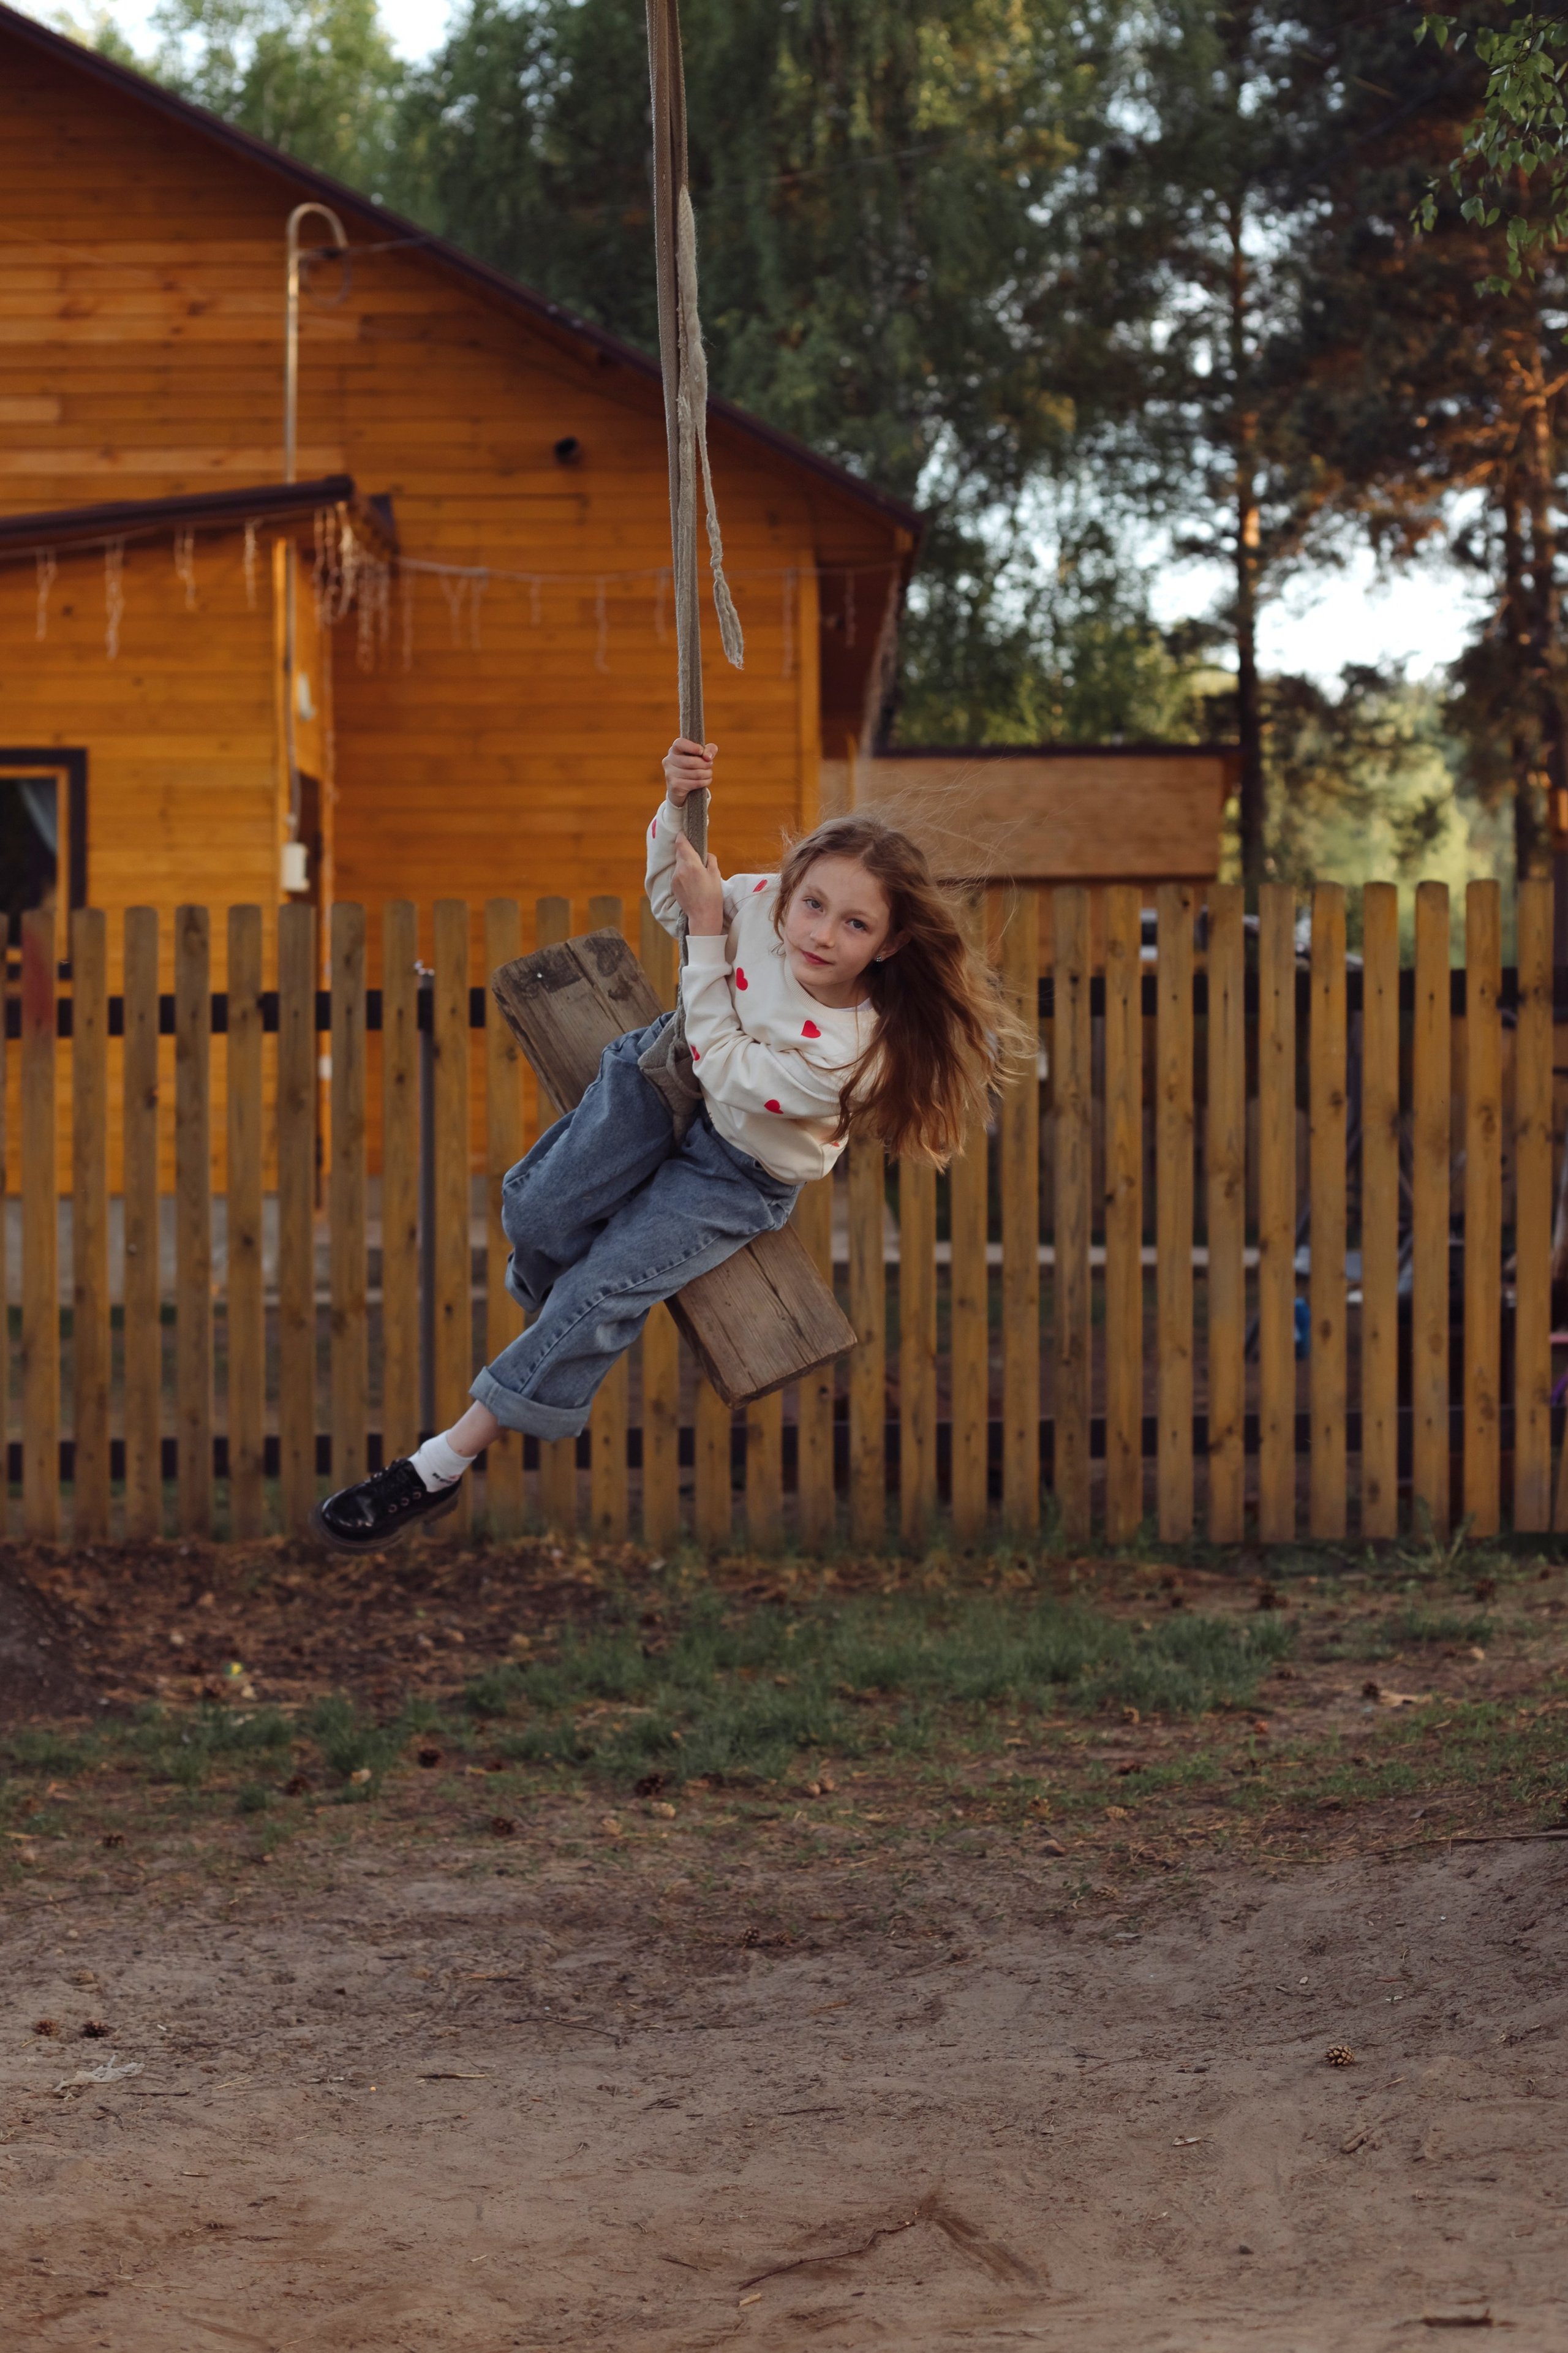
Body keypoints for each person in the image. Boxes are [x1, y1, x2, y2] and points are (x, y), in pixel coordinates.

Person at [312, 736, 1021, 1548]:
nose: (820, 933)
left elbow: (730, 1066)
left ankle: (434, 1465)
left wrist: (712, 933)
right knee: (534, 1209)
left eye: (855, 923)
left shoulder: (850, 1050)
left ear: (890, 944)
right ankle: (562, 1319)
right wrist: (675, 802)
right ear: (792, 888)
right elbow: (673, 902)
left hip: (739, 1168)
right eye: (813, 903)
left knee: (605, 1287)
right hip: (670, 1069)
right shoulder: (762, 904)